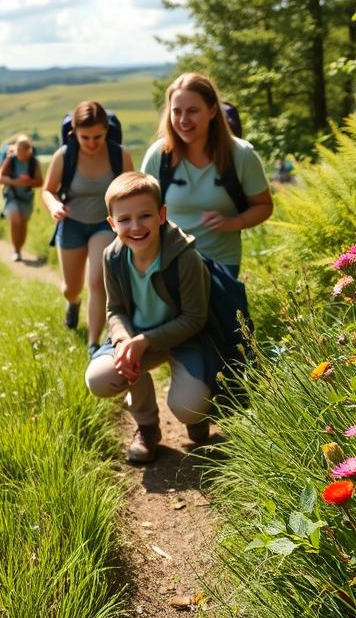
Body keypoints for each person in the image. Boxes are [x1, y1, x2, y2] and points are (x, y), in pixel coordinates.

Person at [85, 172, 212, 461]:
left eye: (145, 215)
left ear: (161, 215)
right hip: (137, 338)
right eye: (125, 219)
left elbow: (195, 318)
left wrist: (145, 340)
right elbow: (114, 309)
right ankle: (147, 427)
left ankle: (197, 417)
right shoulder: (112, 257)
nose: (136, 226)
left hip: (185, 338)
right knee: (99, 378)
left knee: (188, 405)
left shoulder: (185, 257)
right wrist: (124, 341)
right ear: (111, 224)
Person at [140, 73, 272, 277]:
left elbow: (263, 206)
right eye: (177, 112)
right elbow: (139, 208)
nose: (183, 120)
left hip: (220, 264)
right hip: (168, 263)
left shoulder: (241, 155)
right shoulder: (159, 156)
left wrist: (234, 223)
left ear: (212, 111)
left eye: (193, 111)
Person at [41, 101, 133, 357]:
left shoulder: (120, 155)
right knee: (72, 286)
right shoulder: (64, 155)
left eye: (98, 136)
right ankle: (73, 303)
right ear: (73, 132)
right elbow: (47, 190)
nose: (92, 143)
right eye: (85, 137)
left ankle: (94, 344)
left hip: (105, 225)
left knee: (97, 282)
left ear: (107, 130)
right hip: (70, 225)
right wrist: (54, 206)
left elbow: (132, 191)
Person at [0, 134, 43, 261]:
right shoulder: (10, 160)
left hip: (27, 198)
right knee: (15, 220)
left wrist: (29, 182)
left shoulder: (34, 163)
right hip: (12, 196)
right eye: (20, 149)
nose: (22, 152)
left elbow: (40, 182)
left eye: (26, 149)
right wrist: (15, 182)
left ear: (30, 150)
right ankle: (16, 250)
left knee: (23, 224)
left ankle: (19, 249)